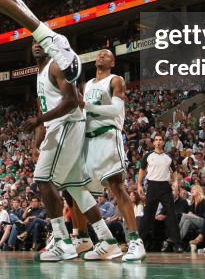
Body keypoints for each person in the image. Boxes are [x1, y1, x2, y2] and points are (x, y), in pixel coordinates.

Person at [23, 42, 113, 262]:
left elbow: (72, 101)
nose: (37, 46)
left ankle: (63, 242)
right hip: (58, 127)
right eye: (33, 43)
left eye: (41, 42)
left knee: (43, 178)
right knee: (74, 186)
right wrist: (37, 143)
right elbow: (43, 111)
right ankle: (107, 240)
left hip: (67, 124)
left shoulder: (57, 66)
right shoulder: (40, 73)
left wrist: (40, 120)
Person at [80, 48, 144, 261]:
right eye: (99, 54)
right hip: (89, 141)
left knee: (116, 187)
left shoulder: (116, 80)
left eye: (106, 55)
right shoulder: (87, 84)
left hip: (108, 137)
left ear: (113, 63)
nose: (101, 56)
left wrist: (86, 106)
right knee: (80, 190)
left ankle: (135, 240)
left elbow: (116, 110)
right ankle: (105, 242)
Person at [138, 134, 181, 253]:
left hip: (165, 187)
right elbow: (141, 170)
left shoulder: (168, 157)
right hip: (152, 186)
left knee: (172, 214)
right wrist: (139, 185)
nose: (158, 142)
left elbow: (174, 171)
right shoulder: (148, 156)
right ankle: (139, 243)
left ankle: (177, 243)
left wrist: (175, 182)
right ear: (153, 143)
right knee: (147, 215)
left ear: (163, 142)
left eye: (160, 140)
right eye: (156, 140)